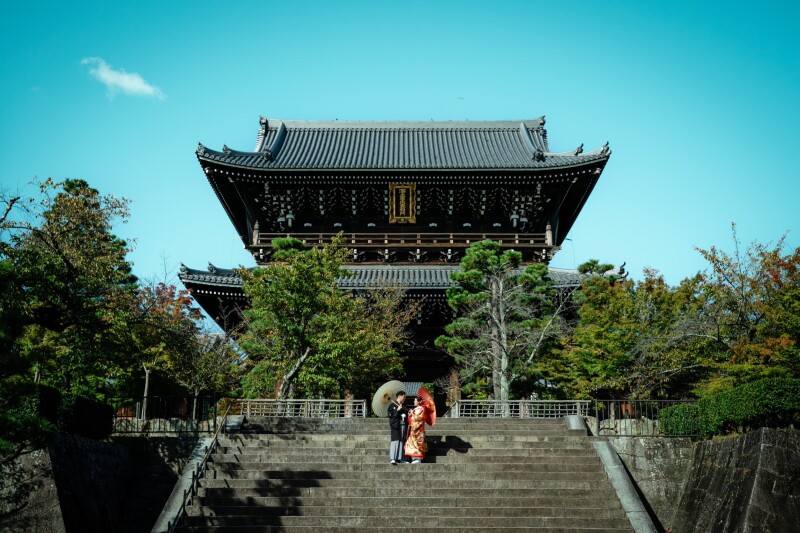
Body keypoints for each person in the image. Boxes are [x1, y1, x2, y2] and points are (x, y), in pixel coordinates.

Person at [404, 396, 430, 463]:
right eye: (414, 401)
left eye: (415, 401)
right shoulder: (416, 409)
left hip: (419, 430)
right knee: (412, 443)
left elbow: (420, 418)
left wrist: (413, 414)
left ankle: (418, 459)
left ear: (419, 402)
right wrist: (410, 415)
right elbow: (411, 420)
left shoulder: (422, 409)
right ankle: (413, 458)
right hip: (414, 429)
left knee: (418, 443)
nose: (414, 402)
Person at [387, 390, 407, 464]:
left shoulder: (403, 405)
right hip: (396, 425)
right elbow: (390, 416)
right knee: (395, 441)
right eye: (404, 396)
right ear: (399, 396)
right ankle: (393, 458)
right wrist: (397, 411)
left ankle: (401, 458)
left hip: (403, 425)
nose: (405, 398)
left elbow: (406, 413)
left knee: (402, 441)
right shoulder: (392, 405)